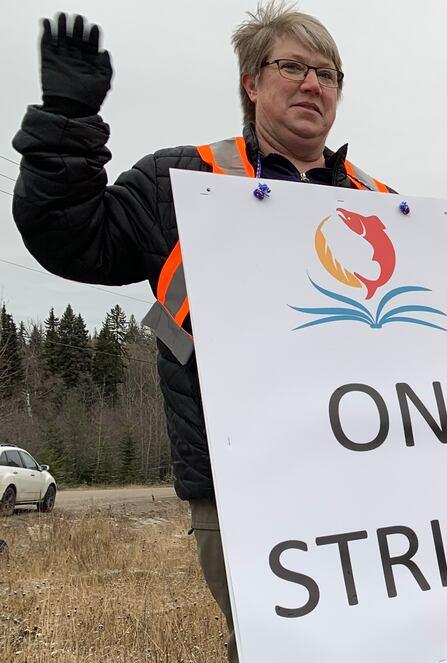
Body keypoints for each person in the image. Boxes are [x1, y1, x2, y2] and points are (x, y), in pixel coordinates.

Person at [11, 5, 393, 661]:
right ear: (252, 81)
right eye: (294, 67)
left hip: (362, 470)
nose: (313, 85)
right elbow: (71, 237)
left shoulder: (378, 203)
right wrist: (66, 126)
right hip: (238, 479)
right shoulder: (181, 183)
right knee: (279, 643)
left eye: (327, 73)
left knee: (377, 638)